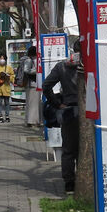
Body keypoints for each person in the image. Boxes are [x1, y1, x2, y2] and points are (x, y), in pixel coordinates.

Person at [42, 42, 83, 195]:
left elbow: (46, 86)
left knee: (68, 149)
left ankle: (69, 183)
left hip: (68, 110)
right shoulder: (93, 64)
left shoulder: (62, 66)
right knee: (85, 148)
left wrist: (57, 103)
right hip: (89, 112)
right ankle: (85, 179)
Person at [21, 45, 41, 127]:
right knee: (34, 103)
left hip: (32, 84)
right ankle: (33, 121)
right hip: (33, 83)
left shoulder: (30, 60)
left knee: (31, 103)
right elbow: (26, 71)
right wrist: (36, 71)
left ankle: (30, 120)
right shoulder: (30, 60)